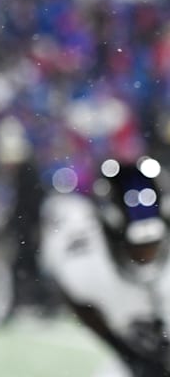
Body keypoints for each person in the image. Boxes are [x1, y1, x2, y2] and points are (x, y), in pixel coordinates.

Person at [40, 156, 170, 377]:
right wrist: (125, 351)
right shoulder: (87, 258)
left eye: (153, 244)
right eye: (137, 247)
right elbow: (76, 299)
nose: (147, 255)